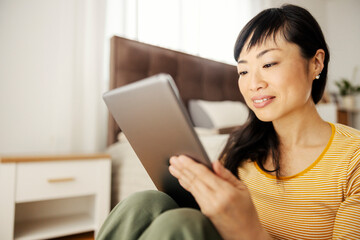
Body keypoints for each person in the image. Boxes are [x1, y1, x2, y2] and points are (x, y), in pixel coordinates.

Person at [97, 4, 360, 240]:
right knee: (144, 203)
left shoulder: (353, 160)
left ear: (316, 63)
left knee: (181, 221)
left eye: (268, 63)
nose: (253, 84)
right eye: (243, 71)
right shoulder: (241, 146)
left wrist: (250, 231)